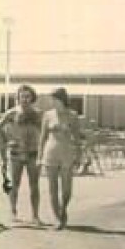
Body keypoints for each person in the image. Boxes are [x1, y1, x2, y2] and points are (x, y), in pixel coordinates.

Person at [0, 85, 44, 225]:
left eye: (28, 96)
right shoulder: (11, 113)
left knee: (34, 185)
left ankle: (35, 216)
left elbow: (44, 131)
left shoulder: (38, 113)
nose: (25, 99)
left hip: (33, 153)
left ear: (32, 97)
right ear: (17, 97)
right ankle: (13, 212)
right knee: (14, 185)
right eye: (22, 96)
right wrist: (7, 140)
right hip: (16, 153)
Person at [39, 88, 82, 229]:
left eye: (55, 99)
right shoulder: (47, 115)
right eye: (52, 99)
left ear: (62, 99)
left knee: (66, 187)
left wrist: (79, 155)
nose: (52, 102)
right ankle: (57, 218)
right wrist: (39, 156)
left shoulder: (73, 115)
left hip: (67, 152)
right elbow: (43, 137)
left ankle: (63, 208)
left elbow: (77, 138)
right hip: (50, 152)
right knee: (52, 188)